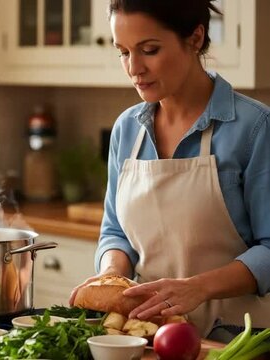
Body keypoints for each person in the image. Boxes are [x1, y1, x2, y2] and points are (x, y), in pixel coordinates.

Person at [69, 0, 270, 337]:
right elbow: (116, 232)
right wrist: (111, 278)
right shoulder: (127, 129)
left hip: (236, 339)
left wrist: (198, 287)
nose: (134, 68)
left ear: (194, 38)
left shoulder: (254, 128)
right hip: (149, 335)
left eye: (149, 50)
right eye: (123, 52)